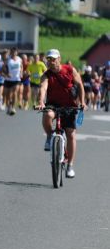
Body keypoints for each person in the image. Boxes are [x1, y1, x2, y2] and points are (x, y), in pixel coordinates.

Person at [36, 49, 86, 178]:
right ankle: (49, 136)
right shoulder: (46, 75)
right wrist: (41, 102)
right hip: (53, 103)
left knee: (70, 134)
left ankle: (70, 165)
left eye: (53, 59)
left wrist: (82, 102)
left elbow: (79, 84)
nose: (51, 62)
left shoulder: (69, 70)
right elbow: (43, 88)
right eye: (49, 59)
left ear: (59, 59)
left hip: (69, 105)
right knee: (47, 115)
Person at [3, 47, 23, 115]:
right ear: (11, 52)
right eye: (12, 52)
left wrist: (21, 73)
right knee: (8, 95)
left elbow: (21, 67)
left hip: (16, 79)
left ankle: (13, 107)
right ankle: (8, 106)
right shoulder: (8, 60)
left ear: (17, 52)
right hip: (8, 79)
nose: (14, 53)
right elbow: (3, 68)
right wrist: (6, 73)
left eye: (15, 52)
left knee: (14, 93)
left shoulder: (19, 59)